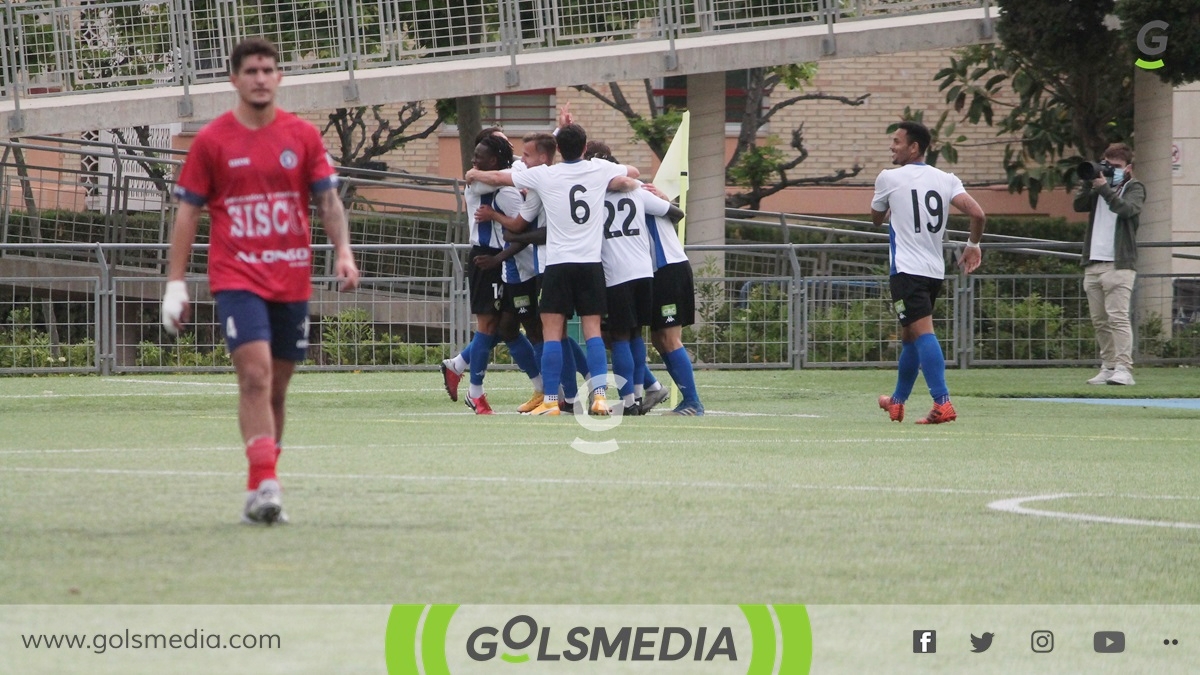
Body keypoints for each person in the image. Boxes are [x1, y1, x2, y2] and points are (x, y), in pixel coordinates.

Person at [160, 37, 360, 524]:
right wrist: (176, 283)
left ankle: (258, 489)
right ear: (234, 79)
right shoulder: (212, 141)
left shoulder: (302, 137)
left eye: (269, 70)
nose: (261, 78)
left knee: (277, 389)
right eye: (251, 71)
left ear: (279, 77)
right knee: (254, 375)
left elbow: (328, 202)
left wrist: (344, 253)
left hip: (291, 278)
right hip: (237, 277)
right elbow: (187, 213)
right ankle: (269, 485)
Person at [466, 123, 640, 416]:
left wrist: (474, 174)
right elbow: (632, 172)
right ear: (585, 148)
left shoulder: (546, 175)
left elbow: (498, 176)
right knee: (593, 331)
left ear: (558, 150)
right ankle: (598, 396)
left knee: (551, 332)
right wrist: (616, 181)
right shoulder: (598, 169)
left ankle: (550, 401)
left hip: (558, 264)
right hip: (590, 264)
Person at [871, 121, 985, 424]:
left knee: (922, 334)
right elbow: (978, 214)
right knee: (909, 336)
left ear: (914, 148)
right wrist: (973, 244)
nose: (892, 147)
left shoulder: (888, 178)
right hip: (934, 271)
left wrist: (891, 205)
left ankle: (942, 402)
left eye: (897, 141)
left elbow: (875, 220)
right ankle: (897, 401)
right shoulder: (946, 179)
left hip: (906, 271)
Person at [446, 134, 540, 414]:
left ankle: (459, 365)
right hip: (487, 259)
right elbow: (519, 227)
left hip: (506, 263)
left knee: (508, 328)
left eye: (481, 155)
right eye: (474, 154)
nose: (474, 160)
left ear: (496, 160)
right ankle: (476, 392)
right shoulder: (483, 183)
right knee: (489, 327)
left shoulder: (506, 181)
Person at [1073, 143, 1144, 386]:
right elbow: (1078, 206)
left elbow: (1126, 210)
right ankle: (1109, 365)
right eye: (1107, 165)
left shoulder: (1134, 188)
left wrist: (1105, 189)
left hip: (1119, 263)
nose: (1110, 170)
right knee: (1100, 320)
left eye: (1116, 167)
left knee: (1118, 318)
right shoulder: (1097, 189)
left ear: (1128, 168)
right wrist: (1089, 181)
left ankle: (1124, 368)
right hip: (1094, 262)